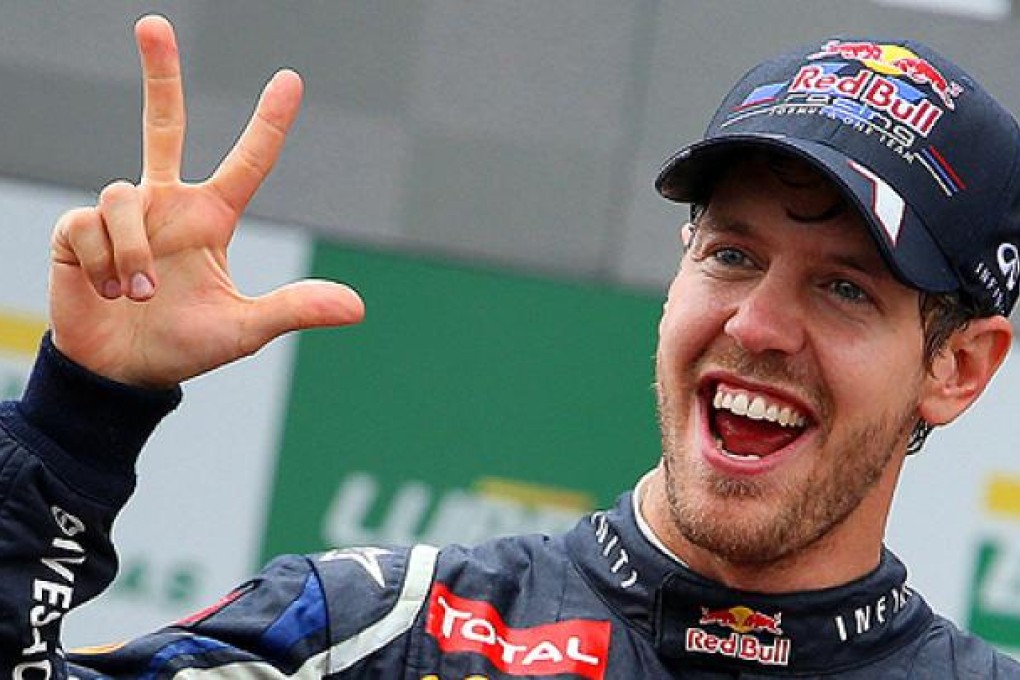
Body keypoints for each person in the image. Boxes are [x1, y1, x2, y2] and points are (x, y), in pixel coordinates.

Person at [0, 13, 1017, 679]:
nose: (755, 325)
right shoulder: (377, 633)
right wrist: (79, 412)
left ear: (959, 365)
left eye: (843, 288)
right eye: (732, 254)